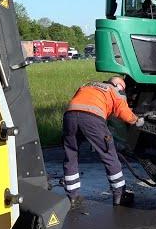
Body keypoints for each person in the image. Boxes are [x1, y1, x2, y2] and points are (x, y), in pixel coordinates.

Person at [62, 76, 144, 208]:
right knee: (109, 154)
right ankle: (120, 195)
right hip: (92, 118)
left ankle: (72, 196)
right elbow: (123, 112)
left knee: (71, 155)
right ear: (118, 85)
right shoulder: (115, 90)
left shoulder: (88, 85)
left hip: (70, 116)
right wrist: (137, 121)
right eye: (123, 88)